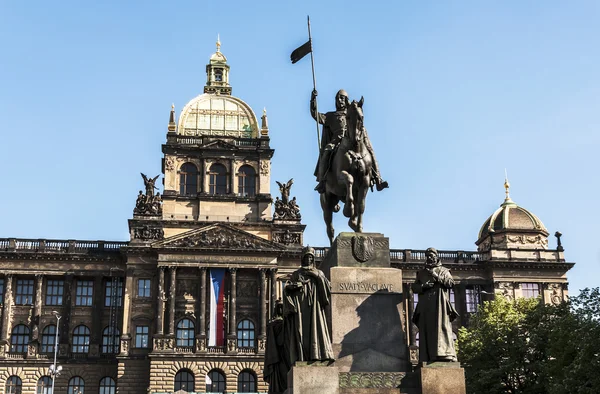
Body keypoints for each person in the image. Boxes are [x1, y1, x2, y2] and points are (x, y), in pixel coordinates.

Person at [310, 89, 388, 193]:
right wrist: (313, 100)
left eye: (341, 98)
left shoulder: (352, 112)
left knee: (370, 150)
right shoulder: (331, 116)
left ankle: (377, 178)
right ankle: (323, 181)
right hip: (336, 142)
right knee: (327, 150)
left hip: (355, 138)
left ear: (346, 100)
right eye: (337, 98)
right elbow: (316, 115)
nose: (339, 100)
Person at [283, 246, 334, 364]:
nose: (309, 260)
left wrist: (316, 276)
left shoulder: (319, 273)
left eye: (311, 258)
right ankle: (302, 355)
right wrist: (294, 286)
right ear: (302, 259)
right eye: (306, 258)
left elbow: (327, 289)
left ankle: (317, 354)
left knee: (316, 328)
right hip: (301, 306)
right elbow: (287, 288)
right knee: (301, 330)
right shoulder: (296, 274)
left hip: (314, 307)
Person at [411, 247, 458, 363]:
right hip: (426, 306)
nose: (429, 258)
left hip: (440, 306)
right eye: (427, 256)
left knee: (441, 328)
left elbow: (450, 283)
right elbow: (414, 287)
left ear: (436, 256)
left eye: (431, 255)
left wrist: (436, 276)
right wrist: (424, 287)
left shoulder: (444, 270)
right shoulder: (421, 273)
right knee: (427, 330)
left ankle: (445, 354)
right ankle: (427, 356)